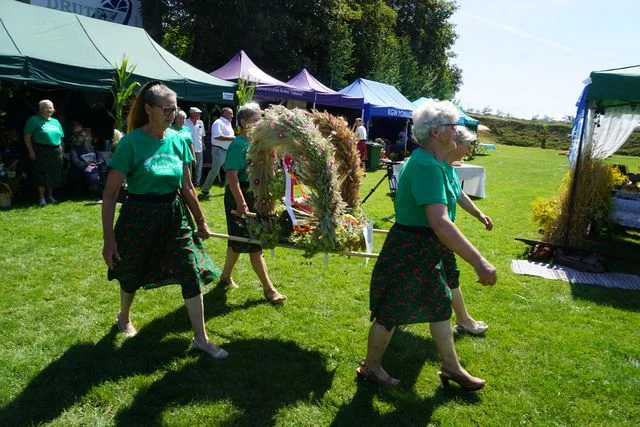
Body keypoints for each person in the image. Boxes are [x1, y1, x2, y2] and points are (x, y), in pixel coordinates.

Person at [357, 100, 497, 391]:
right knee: (391, 311)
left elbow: (444, 217)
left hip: (424, 249)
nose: (457, 131)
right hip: (411, 248)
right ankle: (371, 367)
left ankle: (451, 367)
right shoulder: (425, 166)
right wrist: (479, 261)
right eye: (452, 126)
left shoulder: (433, 163)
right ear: (436, 133)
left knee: (439, 306)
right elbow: (441, 223)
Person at [101, 81, 228, 360]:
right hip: (138, 215)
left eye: (175, 108)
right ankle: (123, 317)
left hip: (173, 214)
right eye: (166, 109)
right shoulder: (130, 143)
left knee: (190, 269)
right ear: (148, 109)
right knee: (132, 268)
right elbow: (110, 194)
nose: (172, 113)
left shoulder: (179, 139)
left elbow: (187, 187)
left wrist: (201, 220)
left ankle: (201, 338)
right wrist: (108, 238)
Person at [219, 103, 286, 304]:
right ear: (244, 122)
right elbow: (231, 176)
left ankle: (225, 277)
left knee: (238, 241)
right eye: (256, 120)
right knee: (254, 243)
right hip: (239, 196)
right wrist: (241, 203)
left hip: (256, 196)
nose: (260, 124)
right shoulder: (238, 145)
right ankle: (269, 289)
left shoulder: (259, 144)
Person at [443, 126, 491, 336]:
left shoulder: (450, 168)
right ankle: (464, 321)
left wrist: (479, 214)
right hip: (437, 234)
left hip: (442, 233)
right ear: (455, 143)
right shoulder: (437, 168)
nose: (468, 149)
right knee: (450, 276)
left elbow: (460, 195)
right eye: (467, 145)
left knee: (443, 277)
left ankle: (389, 318)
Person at [23, 99, 65, 206]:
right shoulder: (34, 120)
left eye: (51, 107)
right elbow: (27, 137)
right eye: (47, 107)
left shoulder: (56, 122)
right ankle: (41, 198)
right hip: (41, 150)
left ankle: (50, 196)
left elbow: (60, 138)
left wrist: (61, 150)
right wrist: (31, 151)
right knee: (42, 173)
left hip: (55, 151)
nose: (49, 109)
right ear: (41, 109)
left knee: (53, 173)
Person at [201, 107, 235, 196]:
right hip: (218, 150)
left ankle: (228, 189)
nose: (232, 115)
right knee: (215, 171)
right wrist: (234, 138)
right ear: (224, 113)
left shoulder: (228, 123)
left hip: (227, 151)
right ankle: (205, 190)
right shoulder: (218, 123)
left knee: (229, 170)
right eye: (230, 113)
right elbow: (217, 136)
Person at [170, 109, 196, 175]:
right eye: (180, 118)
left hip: (187, 156)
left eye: (184, 118)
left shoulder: (187, 129)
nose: (182, 120)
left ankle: (187, 185)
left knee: (187, 174)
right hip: (176, 155)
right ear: (175, 119)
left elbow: (190, 143)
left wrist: (194, 157)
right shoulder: (171, 129)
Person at [185, 107, 206, 186]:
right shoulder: (185, 122)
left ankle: (197, 182)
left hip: (199, 147)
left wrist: (203, 144)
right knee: (188, 166)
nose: (199, 115)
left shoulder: (201, 122)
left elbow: (202, 135)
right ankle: (188, 182)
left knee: (199, 166)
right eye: (197, 113)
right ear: (192, 114)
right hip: (188, 148)